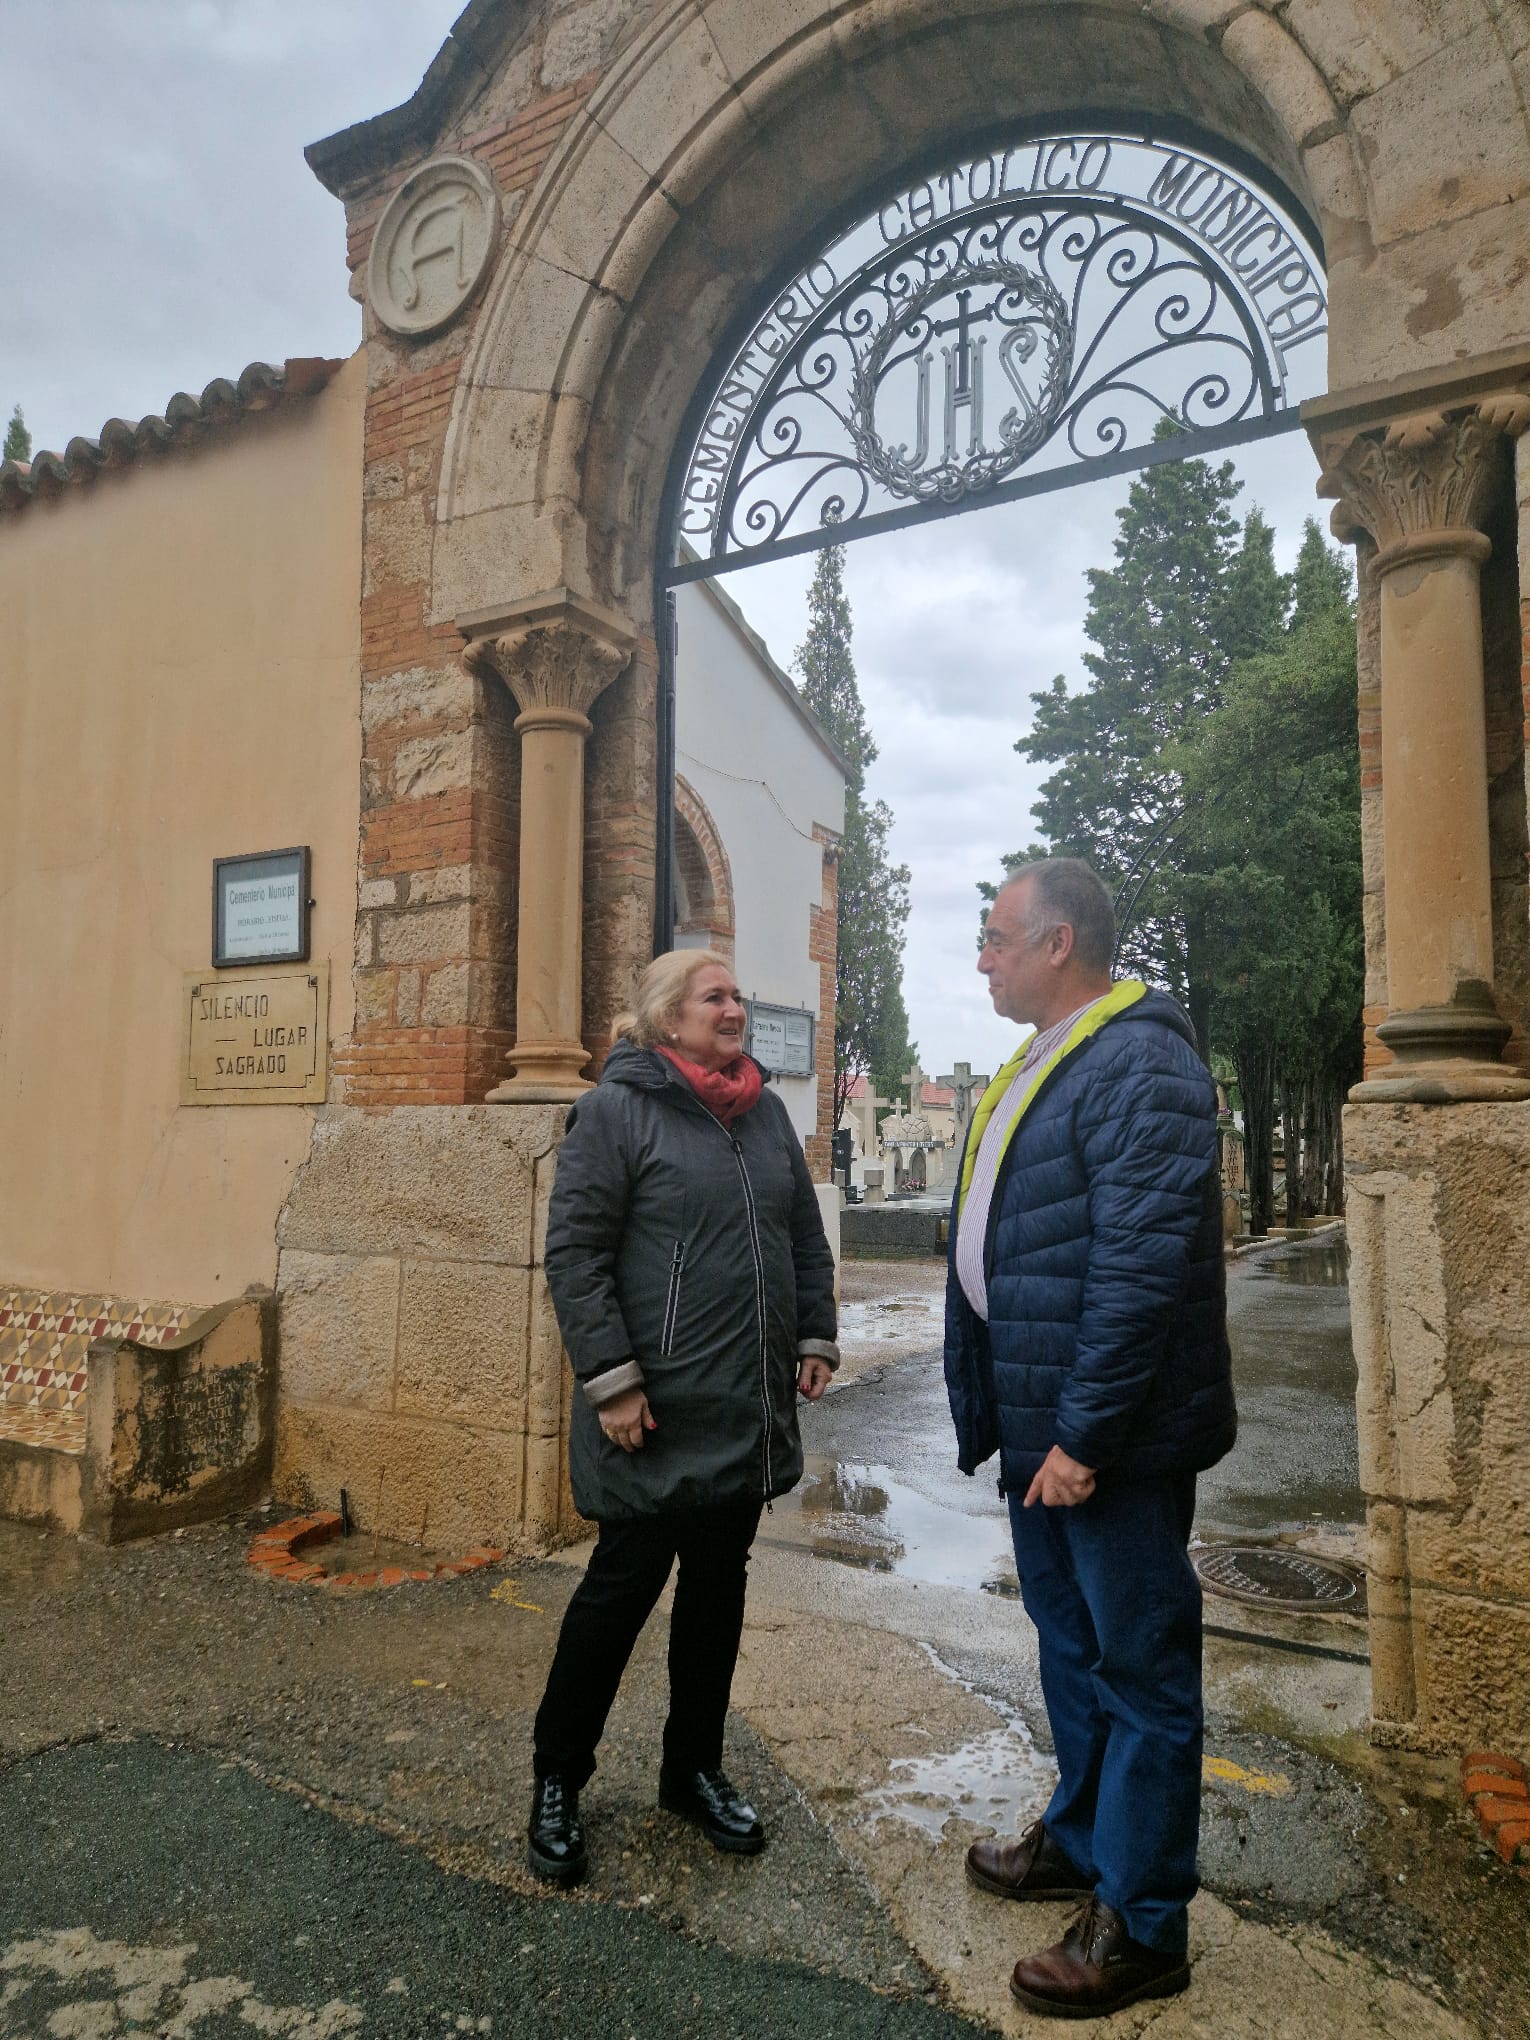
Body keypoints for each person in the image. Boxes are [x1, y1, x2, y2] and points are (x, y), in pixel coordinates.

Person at [944, 858, 1235, 2019]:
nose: (982, 956)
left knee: (1142, 1668)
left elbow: (1137, 1267)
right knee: (1072, 1649)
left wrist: (1083, 1434)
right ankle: (1080, 1837)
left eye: (995, 938)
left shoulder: (1140, 1058)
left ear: (1058, 943)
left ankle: (1143, 1922)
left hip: (1103, 1441)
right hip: (1042, 1432)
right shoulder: (1048, 1055)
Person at [527, 948, 839, 1886]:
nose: (735, 1008)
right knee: (618, 1596)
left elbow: (800, 1238)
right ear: (667, 1019)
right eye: (716, 996)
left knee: (716, 1596)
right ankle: (558, 1779)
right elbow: (575, 1254)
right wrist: (613, 1382)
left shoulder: (767, 1114)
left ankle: (691, 1768)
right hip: (651, 1413)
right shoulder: (616, 1111)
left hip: (743, 1407)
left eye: (739, 993)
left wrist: (814, 1334)